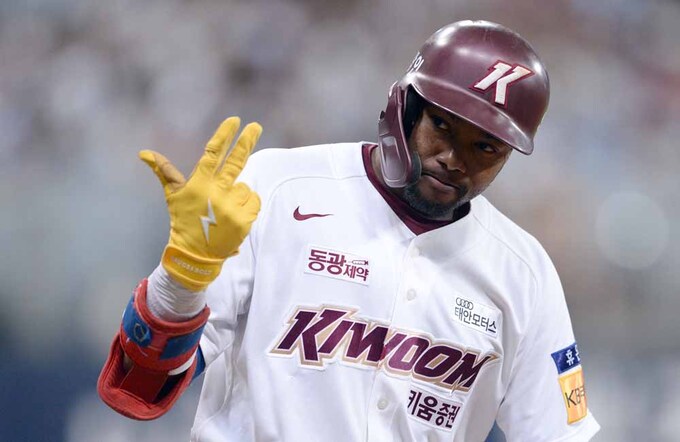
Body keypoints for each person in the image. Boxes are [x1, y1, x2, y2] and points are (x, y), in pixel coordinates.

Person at [98, 20, 600, 441]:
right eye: (443, 126)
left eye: (484, 147)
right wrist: (182, 279)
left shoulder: (523, 272)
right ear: (405, 108)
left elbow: (559, 433)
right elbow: (141, 388)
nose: (453, 158)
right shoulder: (278, 187)